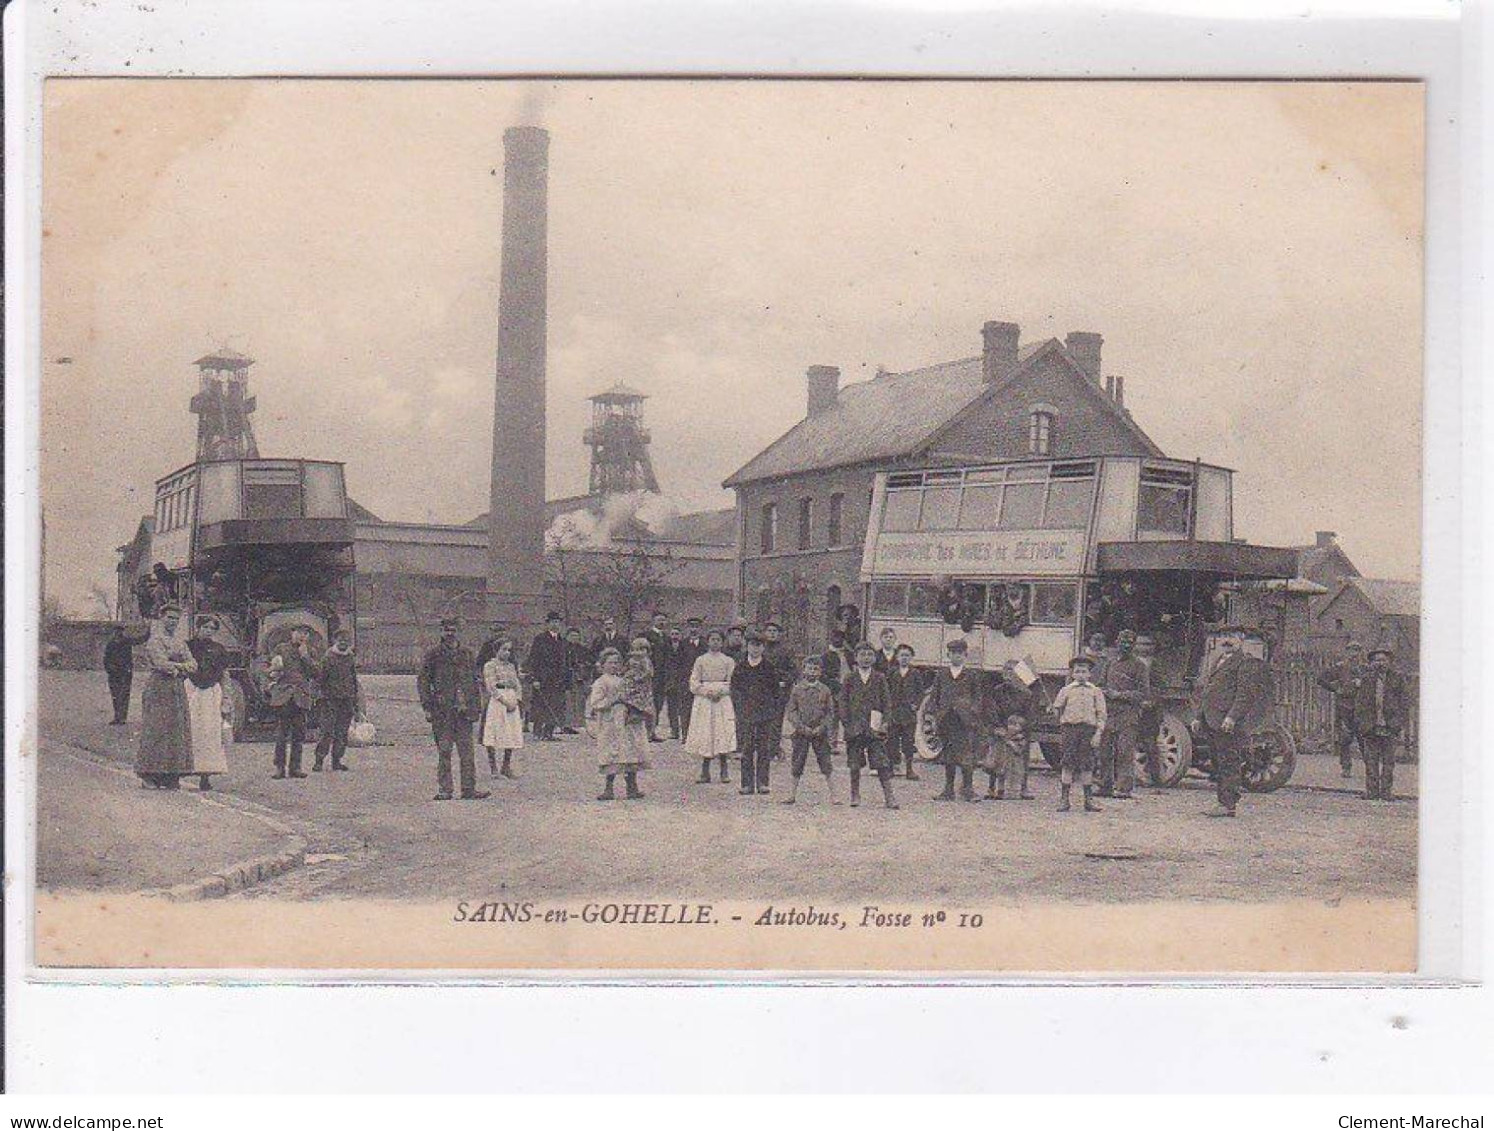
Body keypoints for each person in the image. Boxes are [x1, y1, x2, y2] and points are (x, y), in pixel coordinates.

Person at [1194, 625, 1274, 818]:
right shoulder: (1218, 660)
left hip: (1227, 722)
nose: (1227, 640)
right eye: (1224, 636)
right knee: (1219, 762)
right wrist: (1198, 716)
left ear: (1241, 640)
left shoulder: (1244, 663)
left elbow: (1244, 695)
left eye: (1232, 636)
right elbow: (1207, 692)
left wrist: (1232, 717)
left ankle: (1228, 804)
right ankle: (1222, 802)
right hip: (1212, 720)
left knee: (1229, 762)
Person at [417, 617, 490, 801]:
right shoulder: (433, 655)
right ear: (441, 631)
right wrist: (427, 706)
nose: (450, 633)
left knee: (467, 752)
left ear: (459, 631)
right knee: (444, 750)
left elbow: (475, 681)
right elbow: (423, 682)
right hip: (443, 711)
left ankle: (468, 789)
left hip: (464, 712)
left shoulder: (467, 654)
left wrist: (476, 707)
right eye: (446, 630)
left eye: (454, 630)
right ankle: (445, 789)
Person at [135, 605, 195, 790]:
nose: (173, 622)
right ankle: (149, 774)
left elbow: (193, 664)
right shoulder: (154, 641)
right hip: (159, 687)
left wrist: (178, 666)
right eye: (169, 618)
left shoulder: (180, 642)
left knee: (176, 730)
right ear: (161, 618)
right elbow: (162, 664)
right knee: (157, 729)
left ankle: (170, 774)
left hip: (176, 688)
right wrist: (179, 665)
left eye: (176, 619)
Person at [587, 647, 650, 801]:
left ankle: (632, 787)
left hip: (627, 721)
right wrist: (613, 701)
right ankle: (608, 788)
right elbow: (595, 703)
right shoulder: (601, 682)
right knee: (611, 753)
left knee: (630, 751)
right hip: (610, 722)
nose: (614, 666)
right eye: (610, 663)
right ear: (602, 665)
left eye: (617, 663)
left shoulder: (625, 680)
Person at [925, 638, 984, 802]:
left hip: (963, 720)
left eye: (960, 654)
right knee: (948, 755)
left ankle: (968, 789)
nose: (956, 657)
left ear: (965, 655)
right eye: (953, 653)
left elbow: (978, 697)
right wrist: (933, 714)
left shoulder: (971, 675)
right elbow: (934, 696)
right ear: (948, 655)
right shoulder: (942, 674)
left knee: (966, 754)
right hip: (946, 719)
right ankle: (948, 790)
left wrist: (973, 713)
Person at [842, 641, 898, 810]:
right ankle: (855, 794)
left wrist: (885, 723)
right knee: (854, 763)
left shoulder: (880, 678)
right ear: (855, 658)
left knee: (881, 762)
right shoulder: (849, 678)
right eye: (862, 655)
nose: (866, 658)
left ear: (874, 658)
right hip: (855, 727)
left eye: (869, 655)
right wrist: (847, 722)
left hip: (875, 727)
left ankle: (889, 796)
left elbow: (887, 703)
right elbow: (843, 702)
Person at [1097, 628, 1152, 800]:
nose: (1125, 645)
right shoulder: (1110, 663)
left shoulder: (1139, 666)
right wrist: (1104, 692)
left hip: (1128, 715)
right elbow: (1100, 685)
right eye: (1122, 641)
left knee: (1124, 751)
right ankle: (1104, 785)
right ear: (1116, 643)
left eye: (1129, 642)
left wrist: (1120, 695)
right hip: (1109, 713)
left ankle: (1124, 788)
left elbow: (1143, 693)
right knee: (1104, 751)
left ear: (1134, 645)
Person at [1352, 646, 1409, 801]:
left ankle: (1386, 792)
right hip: (1371, 727)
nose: (1380, 663)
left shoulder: (1397, 679)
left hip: (1390, 727)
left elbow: (1404, 703)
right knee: (1371, 762)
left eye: (1383, 660)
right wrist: (1362, 723)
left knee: (1388, 762)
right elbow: (1360, 703)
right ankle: (1371, 792)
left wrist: (1397, 724)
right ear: (1371, 663)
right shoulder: (1367, 680)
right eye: (1377, 660)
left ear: (1389, 662)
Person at [1051, 655, 1108, 813]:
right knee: (1067, 763)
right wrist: (1058, 716)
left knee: (1087, 764)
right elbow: (1057, 707)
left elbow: (1101, 715)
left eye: (1084, 671)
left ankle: (1088, 800)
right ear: (1072, 674)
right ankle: (1064, 800)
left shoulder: (1096, 692)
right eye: (1077, 671)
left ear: (1089, 674)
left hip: (1088, 731)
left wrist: (1098, 733)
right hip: (1070, 730)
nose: (1081, 674)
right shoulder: (1066, 690)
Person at [184, 614, 232, 791]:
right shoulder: (187, 646)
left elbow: (224, 674)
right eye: (205, 627)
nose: (208, 631)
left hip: (211, 692)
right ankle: (184, 768)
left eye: (212, 629)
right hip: (192, 689)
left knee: (209, 732)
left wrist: (226, 699)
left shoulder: (219, 649)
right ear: (198, 628)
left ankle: (206, 775)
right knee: (191, 728)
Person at [730, 630, 781, 795]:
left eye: (759, 645)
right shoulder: (740, 667)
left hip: (764, 714)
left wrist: (770, 710)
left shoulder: (769, 667)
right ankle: (746, 784)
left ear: (763, 647)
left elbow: (775, 691)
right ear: (747, 646)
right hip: (746, 714)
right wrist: (740, 708)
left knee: (764, 748)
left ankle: (763, 782)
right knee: (746, 748)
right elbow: (735, 689)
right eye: (752, 645)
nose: (755, 649)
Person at [782, 655, 837, 805]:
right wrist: (801, 727)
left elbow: (830, 712)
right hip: (802, 732)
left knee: (825, 762)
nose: (812, 672)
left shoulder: (825, 690)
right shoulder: (797, 689)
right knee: (797, 762)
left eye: (816, 669)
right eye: (809, 668)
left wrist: (822, 727)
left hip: (820, 732)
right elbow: (791, 711)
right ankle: (791, 794)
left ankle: (834, 795)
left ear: (820, 672)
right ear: (804, 670)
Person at [267, 625, 319, 780]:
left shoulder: (310, 652)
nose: (302, 636)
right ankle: (279, 768)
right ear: (292, 633)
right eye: (299, 633)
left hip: (301, 696)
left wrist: (305, 657)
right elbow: (273, 668)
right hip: (284, 695)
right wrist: (274, 670)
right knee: (282, 734)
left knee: (299, 734)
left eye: (305, 634)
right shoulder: (281, 649)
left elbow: (316, 673)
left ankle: (296, 767)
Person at [686, 629, 737, 783]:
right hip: (705, 700)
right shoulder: (700, 660)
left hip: (722, 700)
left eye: (718, 640)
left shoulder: (728, 661)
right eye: (712, 639)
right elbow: (694, 681)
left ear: (723, 642)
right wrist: (706, 692)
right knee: (706, 732)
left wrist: (721, 692)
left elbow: (733, 681)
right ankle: (705, 771)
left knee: (722, 731)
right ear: (707, 641)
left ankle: (724, 770)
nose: (715, 642)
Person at [1317, 640, 1367, 780]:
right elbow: (1321, 679)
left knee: (1364, 738)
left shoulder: (1365, 669)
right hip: (1344, 707)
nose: (1354, 654)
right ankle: (1346, 767)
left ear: (1360, 652)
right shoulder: (1339, 668)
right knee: (1345, 739)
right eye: (1351, 650)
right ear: (1347, 652)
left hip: (1361, 708)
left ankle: (1370, 767)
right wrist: (1335, 688)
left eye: (1357, 651)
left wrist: (1362, 684)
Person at [313, 628, 360, 773]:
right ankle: (319, 761)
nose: (343, 643)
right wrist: (321, 697)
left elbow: (353, 679)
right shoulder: (328, 658)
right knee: (327, 731)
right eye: (341, 640)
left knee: (342, 732)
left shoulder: (350, 658)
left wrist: (355, 700)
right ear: (335, 641)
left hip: (346, 700)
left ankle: (336, 761)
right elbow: (320, 679)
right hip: (330, 700)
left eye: (346, 641)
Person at [480, 638, 524, 779]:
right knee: (493, 731)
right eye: (504, 649)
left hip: (511, 698)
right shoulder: (490, 665)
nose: (507, 653)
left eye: (509, 650)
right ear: (496, 650)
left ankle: (506, 765)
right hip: (498, 700)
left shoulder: (511, 666)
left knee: (511, 731)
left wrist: (516, 700)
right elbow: (490, 686)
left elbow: (517, 684)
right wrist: (504, 701)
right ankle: (493, 768)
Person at [883, 643, 925, 781]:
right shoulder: (891, 672)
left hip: (908, 714)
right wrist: (887, 706)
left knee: (908, 742)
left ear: (911, 657)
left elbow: (921, 692)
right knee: (891, 742)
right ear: (897, 657)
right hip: (894, 713)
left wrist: (916, 705)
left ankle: (909, 769)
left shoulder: (915, 674)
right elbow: (885, 691)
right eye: (902, 655)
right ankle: (890, 768)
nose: (904, 658)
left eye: (907, 655)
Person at [526, 612, 569, 741]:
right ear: (547, 624)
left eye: (557, 622)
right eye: (553, 622)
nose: (555, 624)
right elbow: (533, 660)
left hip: (558, 680)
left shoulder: (562, 641)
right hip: (543, 679)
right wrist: (534, 678)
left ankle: (549, 732)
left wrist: (565, 680)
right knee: (541, 705)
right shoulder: (540, 639)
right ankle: (537, 732)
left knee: (556, 705)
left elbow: (565, 662)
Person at [984, 714, 1034, 800]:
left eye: (1016, 726)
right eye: (1010, 724)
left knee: (1011, 777)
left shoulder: (1020, 738)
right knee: (998, 774)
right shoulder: (1003, 736)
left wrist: (1011, 744)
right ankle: (996, 790)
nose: (1012, 727)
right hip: (1001, 760)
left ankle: (1010, 791)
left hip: (1012, 762)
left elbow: (1019, 750)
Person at [659, 625, 692, 742]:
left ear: (680, 636)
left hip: (682, 681)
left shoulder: (685, 648)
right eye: (672, 634)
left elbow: (688, 664)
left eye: (676, 634)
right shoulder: (665, 647)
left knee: (683, 709)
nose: (674, 637)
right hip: (669, 682)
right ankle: (674, 731)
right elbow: (662, 664)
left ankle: (685, 734)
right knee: (671, 708)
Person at [677, 617, 707, 741]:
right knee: (686, 709)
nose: (694, 629)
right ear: (688, 628)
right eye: (691, 627)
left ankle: (700, 735)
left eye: (696, 627)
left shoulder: (705, 644)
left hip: (702, 681)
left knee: (702, 708)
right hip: (686, 681)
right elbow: (678, 663)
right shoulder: (683, 644)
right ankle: (686, 734)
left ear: (700, 628)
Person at [645, 611, 671, 741]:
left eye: (664, 620)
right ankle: (646, 732)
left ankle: (652, 731)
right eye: (659, 620)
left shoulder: (667, 638)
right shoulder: (646, 636)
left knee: (659, 704)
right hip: (650, 675)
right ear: (653, 621)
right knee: (648, 703)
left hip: (662, 677)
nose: (661, 622)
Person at [103, 625, 137, 725]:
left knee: (124, 695)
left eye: (120, 631)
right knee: (115, 695)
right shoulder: (110, 644)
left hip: (125, 673)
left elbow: (140, 640)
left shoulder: (127, 642)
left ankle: (122, 717)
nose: (118, 633)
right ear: (114, 632)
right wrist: (109, 669)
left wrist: (150, 628)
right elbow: (106, 658)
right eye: (117, 631)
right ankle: (117, 716)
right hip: (113, 673)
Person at [563, 627, 591, 735]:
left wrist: (583, 668)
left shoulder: (582, 650)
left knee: (579, 701)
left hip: (579, 678)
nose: (574, 638)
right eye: (572, 636)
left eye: (576, 636)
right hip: (567, 678)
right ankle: (567, 724)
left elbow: (588, 661)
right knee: (568, 701)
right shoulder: (563, 649)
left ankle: (578, 723)